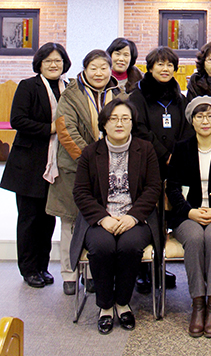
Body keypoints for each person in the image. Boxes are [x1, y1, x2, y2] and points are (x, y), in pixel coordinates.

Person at [70, 99, 161, 334]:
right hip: (101, 218)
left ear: (132, 123)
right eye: (114, 119)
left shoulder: (145, 149)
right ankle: (105, 306)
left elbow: (153, 188)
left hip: (135, 217)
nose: (119, 123)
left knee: (130, 247)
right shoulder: (91, 152)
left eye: (125, 119)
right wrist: (103, 218)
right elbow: (80, 192)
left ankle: (122, 302)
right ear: (104, 124)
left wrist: (132, 217)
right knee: (102, 247)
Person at [46, 49, 125, 295]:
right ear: (85, 69)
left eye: (104, 67)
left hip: (111, 169)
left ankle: (92, 274)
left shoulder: (119, 94)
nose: (99, 73)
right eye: (94, 68)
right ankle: (69, 275)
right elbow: (66, 130)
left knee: (97, 221)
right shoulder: (71, 94)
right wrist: (91, 161)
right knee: (70, 220)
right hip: (75, 168)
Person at [166, 96, 211, 338]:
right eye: (199, 116)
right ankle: (198, 303)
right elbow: (173, 187)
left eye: (210, 115)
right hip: (187, 215)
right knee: (196, 238)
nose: (205, 120)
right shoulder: (181, 148)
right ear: (192, 121)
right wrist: (188, 210)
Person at [0, 42, 71, 288]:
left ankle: (42, 265)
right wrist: (50, 129)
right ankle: (29, 269)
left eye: (58, 61)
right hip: (29, 164)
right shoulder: (28, 86)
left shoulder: (69, 88)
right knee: (29, 218)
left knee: (49, 217)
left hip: (58, 163)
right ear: (39, 64)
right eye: (48, 61)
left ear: (65, 63)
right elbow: (18, 120)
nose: (54, 65)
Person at [129, 46, 193, 292]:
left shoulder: (178, 95)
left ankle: (159, 266)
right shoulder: (138, 95)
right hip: (147, 164)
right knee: (149, 215)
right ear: (150, 67)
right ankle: (143, 271)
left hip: (174, 166)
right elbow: (140, 129)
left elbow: (187, 126)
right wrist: (164, 154)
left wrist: (176, 155)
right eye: (160, 64)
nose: (165, 69)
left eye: (170, 65)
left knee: (167, 214)